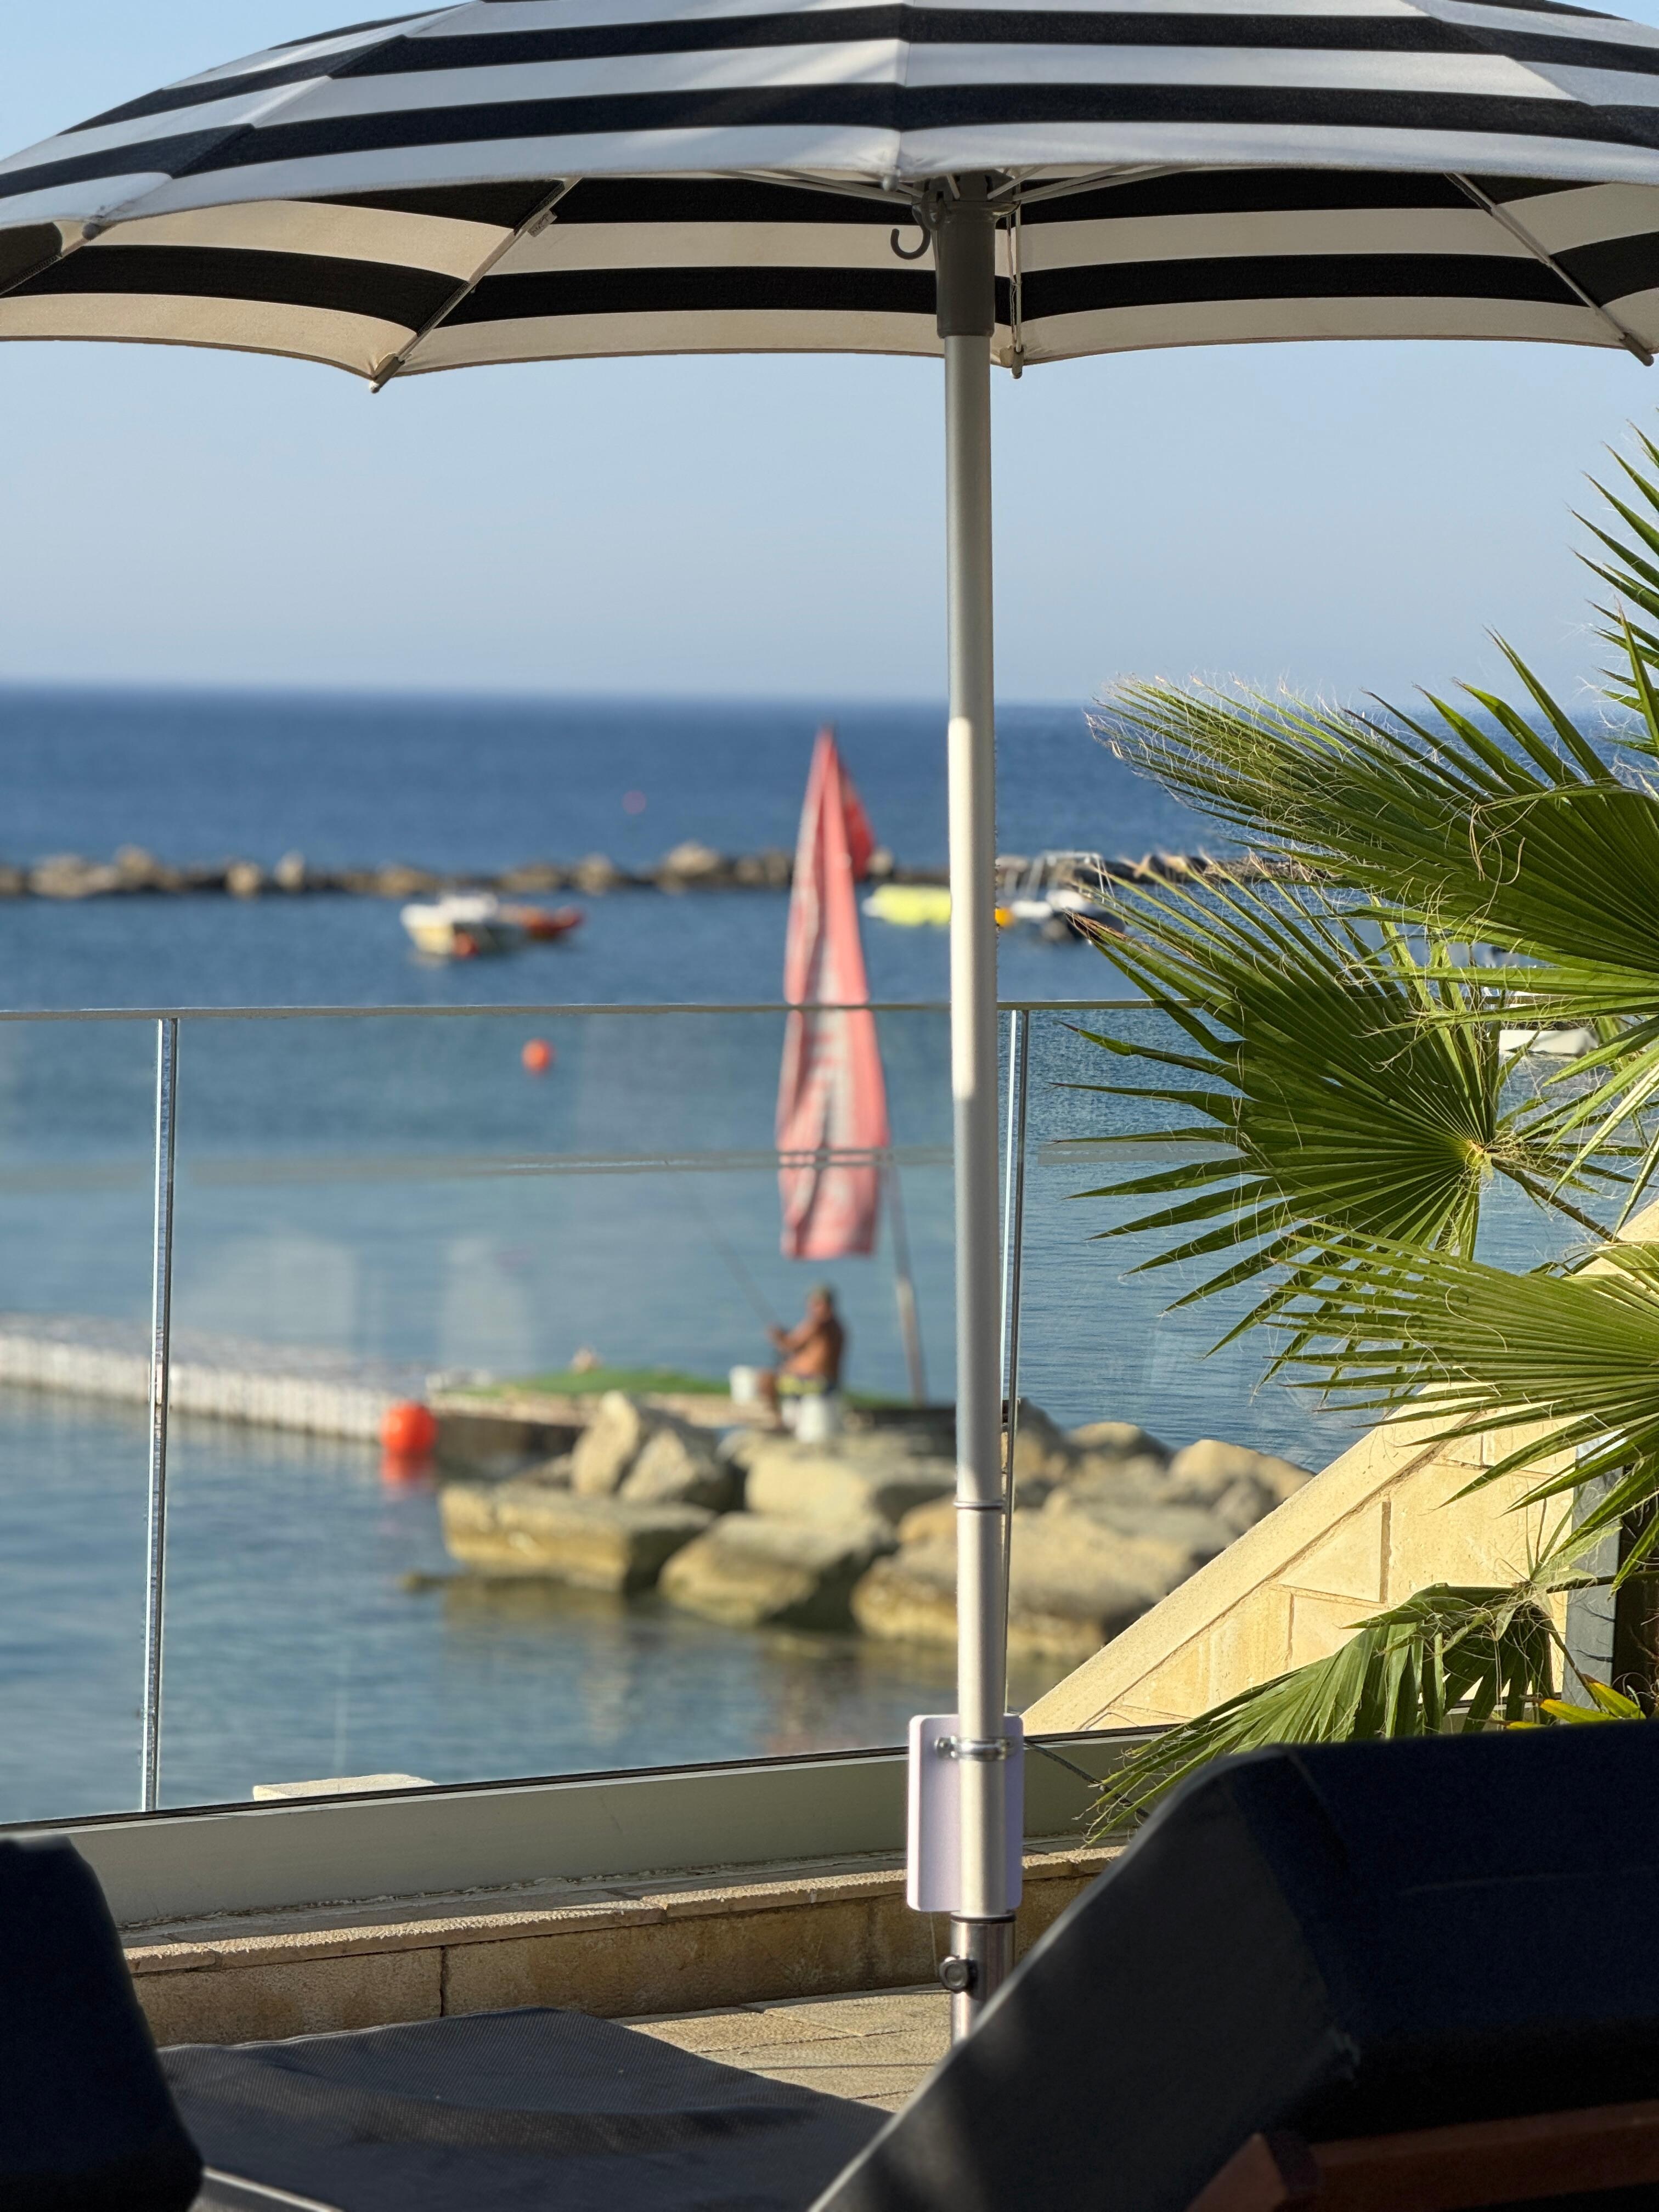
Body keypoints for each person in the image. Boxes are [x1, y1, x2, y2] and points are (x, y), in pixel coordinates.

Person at [759, 1285, 845, 1419]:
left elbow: (791, 1345)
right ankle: (787, 1418)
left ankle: (777, 1419)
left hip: (817, 1384)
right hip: (827, 1382)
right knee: (781, 1374)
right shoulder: (836, 1326)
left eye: (816, 1304)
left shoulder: (819, 1323)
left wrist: (779, 1337)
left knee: (767, 1380)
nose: (812, 1307)